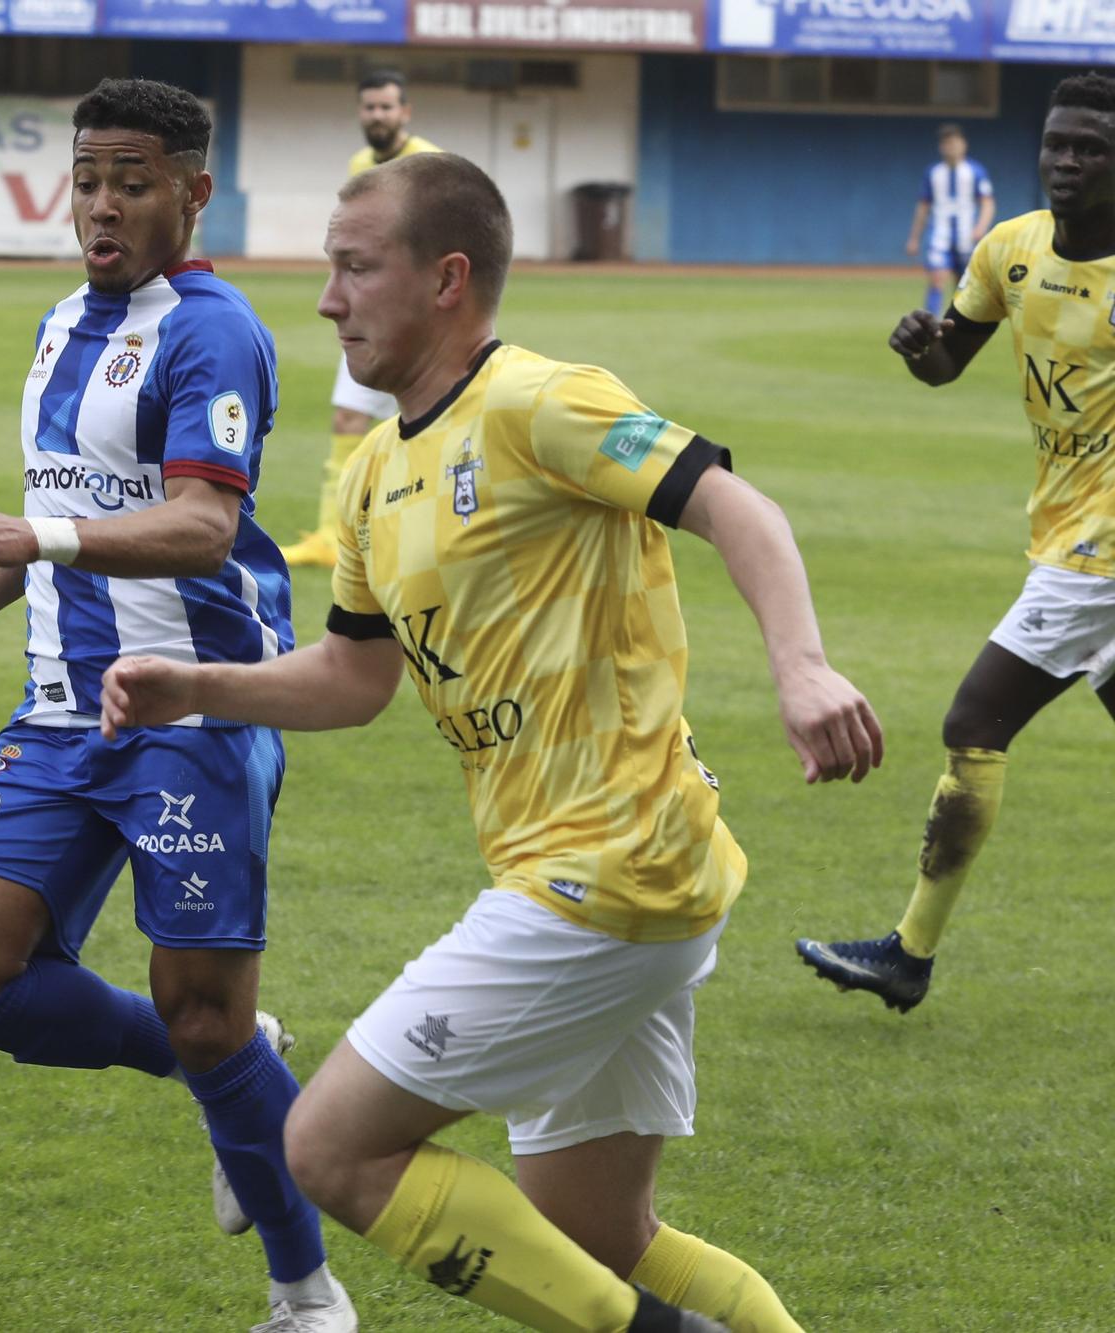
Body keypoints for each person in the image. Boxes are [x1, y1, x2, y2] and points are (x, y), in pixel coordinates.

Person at [101, 151, 885, 1332]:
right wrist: (195, 687)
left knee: (328, 1146)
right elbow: (355, 678)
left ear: (446, 279)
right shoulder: (371, 477)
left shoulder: (537, 402)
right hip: (594, 877)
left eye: (355, 268)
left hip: (605, 872)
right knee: (599, 1237)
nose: (326, 298)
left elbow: (733, 505)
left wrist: (803, 665)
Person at [0, 78, 354, 1333]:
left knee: (200, 1015)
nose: (101, 206)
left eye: (131, 180)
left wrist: (35, 532)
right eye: (85, 179)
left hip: (188, 712)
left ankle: (307, 1296)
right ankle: (232, 1059)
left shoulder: (213, 332)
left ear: (193, 189)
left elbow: (197, 526)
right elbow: (79, 488)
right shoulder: (63, 318)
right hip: (61, 707)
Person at [798, 73, 1115, 1013]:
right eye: (1058, 143)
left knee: (975, 724)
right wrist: (918, 347)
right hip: (1062, 526)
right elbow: (949, 362)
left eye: (1090, 148)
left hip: (1097, 554)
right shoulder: (1009, 249)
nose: (1067, 161)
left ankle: (909, 952)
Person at [280, 70, 440, 569]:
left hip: (416, 321)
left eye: (386, 107)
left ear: (405, 112)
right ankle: (333, 535)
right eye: (369, 107)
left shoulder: (429, 164)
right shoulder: (359, 163)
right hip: (369, 314)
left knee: (427, 424)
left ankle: (431, 532)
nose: (377, 116)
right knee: (348, 418)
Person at [904, 122, 994, 318]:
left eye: (954, 142)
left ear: (963, 144)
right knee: (937, 279)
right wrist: (914, 238)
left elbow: (987, 203)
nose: (950, 147)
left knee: (964, 284)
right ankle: (931, 321)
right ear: (941, 147)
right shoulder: (933, 173)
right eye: (946, 143)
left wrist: (980, 227)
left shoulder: (975, 171)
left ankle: (958, 321)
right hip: (939, 235)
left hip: (966, 237)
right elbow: (923, 207)